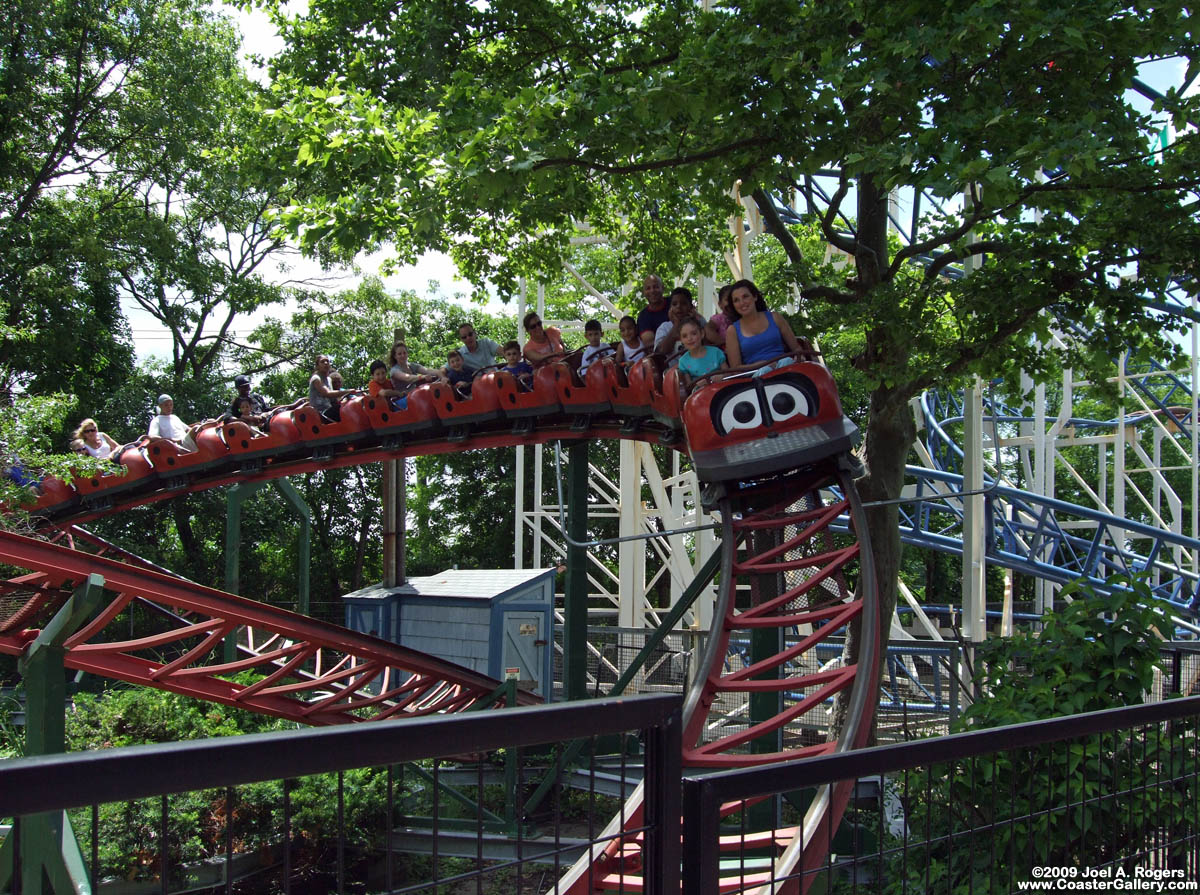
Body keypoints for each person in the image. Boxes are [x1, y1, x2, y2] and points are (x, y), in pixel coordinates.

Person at [724, 279, 809, 375]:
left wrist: (800, 357)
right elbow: (736, 368)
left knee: (786, 362)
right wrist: (759, 365)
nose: (742, 303)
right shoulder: (733, 330)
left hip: (783, 366)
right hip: (756, 375)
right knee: (764, 371)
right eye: (736, 300)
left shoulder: (775, 317)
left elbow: (796, 348)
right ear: (734, 305)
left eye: (745, 297)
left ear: (755, 297)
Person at [653, 288, 706, 362]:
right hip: (673, 370)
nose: (679, 307)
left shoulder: (700, 322)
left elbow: (708, 344)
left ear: (691, 307)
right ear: (670, 308)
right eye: (674, 304)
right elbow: (660, 352)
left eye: (683, 303)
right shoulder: (664, 327)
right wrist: (676, 325)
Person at [676, 318, 727, 390]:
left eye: (693, 334)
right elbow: (689, 387)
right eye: (685, 336)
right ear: (681, 340)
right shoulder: (683, 361)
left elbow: (728, 373)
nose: (689, 338)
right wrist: (697, 384)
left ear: (702, 334)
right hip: (699, 396)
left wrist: (722, 376)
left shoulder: (716, 352)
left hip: (720, 389)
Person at [309, 354, 355, 422]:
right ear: (317, 366)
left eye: (327, 361)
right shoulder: (316, 378)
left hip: (329, 410)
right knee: (343, 410)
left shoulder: (328, 379)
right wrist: (348, 391)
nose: (326, 363)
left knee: (350, 406)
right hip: (320, 413)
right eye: (322, 362)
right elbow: (327, 393)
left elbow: (333, 400)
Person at [635, 274, 670, 349]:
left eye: (656, 287)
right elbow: (650, 344)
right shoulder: (643, 317)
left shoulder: (675, 302)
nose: (652, 291)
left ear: (662, 288)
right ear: (644, 292)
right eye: (648, 288)